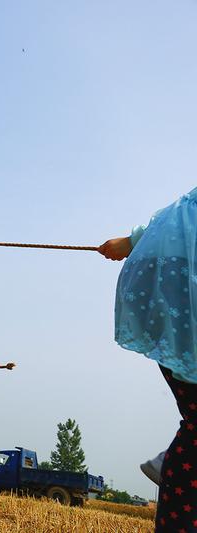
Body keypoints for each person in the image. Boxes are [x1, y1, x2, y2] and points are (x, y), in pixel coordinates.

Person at [98, 187, 197, 532]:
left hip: (168, 286)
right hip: (178, 291)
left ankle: (173, 458)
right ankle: (176, 460)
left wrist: (131, 240)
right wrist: (132, 240)